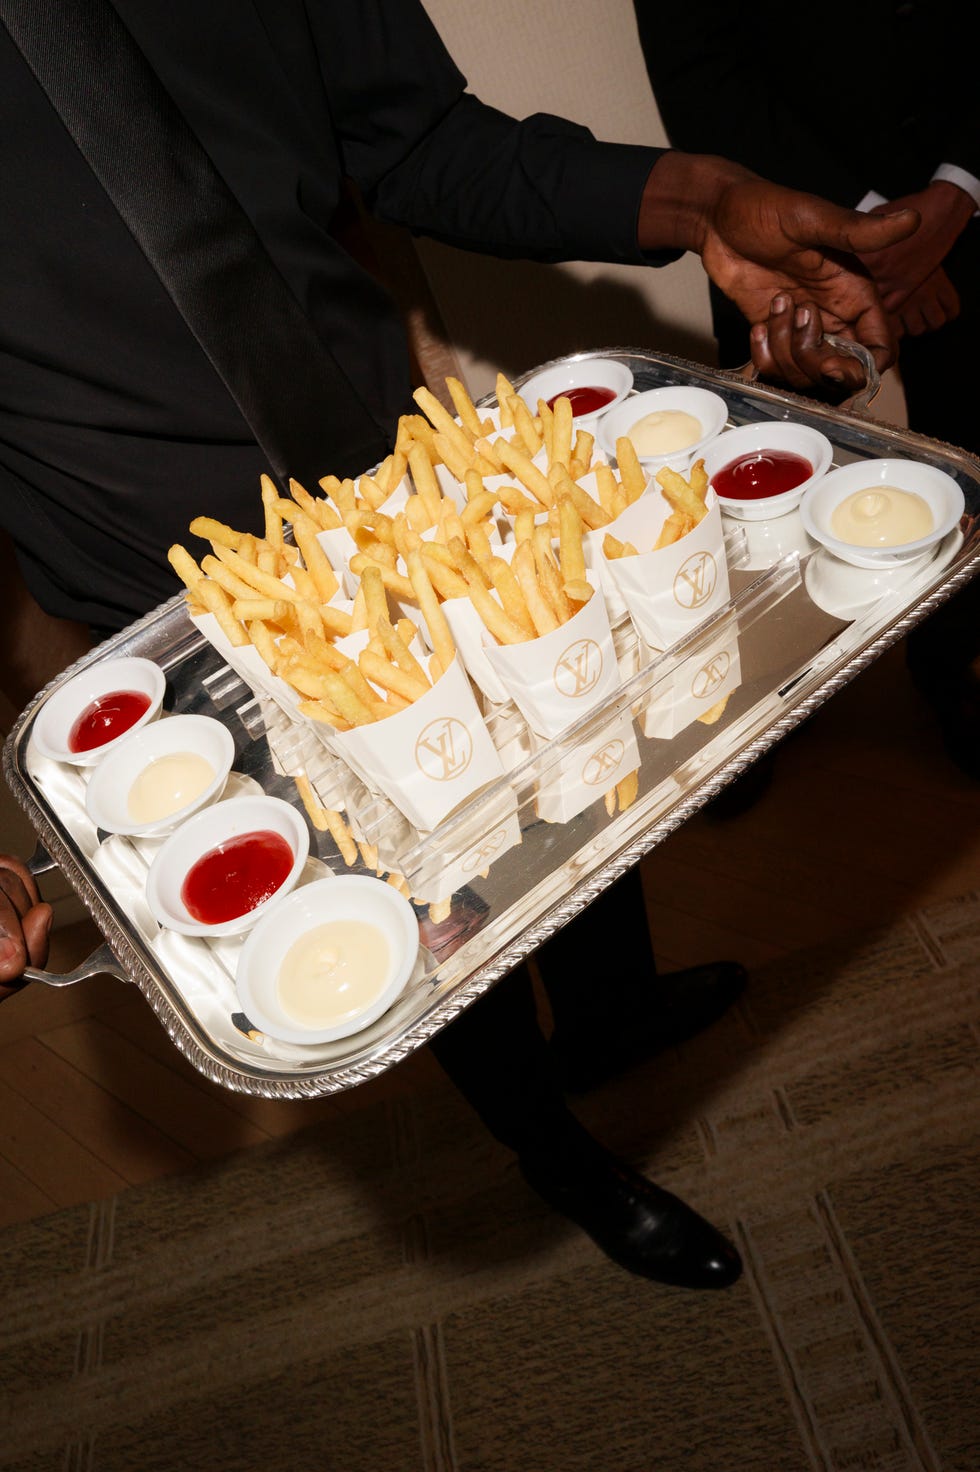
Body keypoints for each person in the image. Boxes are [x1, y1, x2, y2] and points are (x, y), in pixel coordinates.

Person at [0, 0, 919, 1289]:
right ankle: (551, 1146)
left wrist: (698, 199)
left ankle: (611, 1009)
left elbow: (420, 138)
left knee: (573, 741)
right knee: (416, 892)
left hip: (403, 470)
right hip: (183, 591)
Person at [634, 0, 980, 780]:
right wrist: (873, 231)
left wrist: (958, 192)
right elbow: (699, 64)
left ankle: (957, 659)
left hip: (965, 193)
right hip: (777, 207)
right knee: (762, 465)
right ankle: (752, 696)